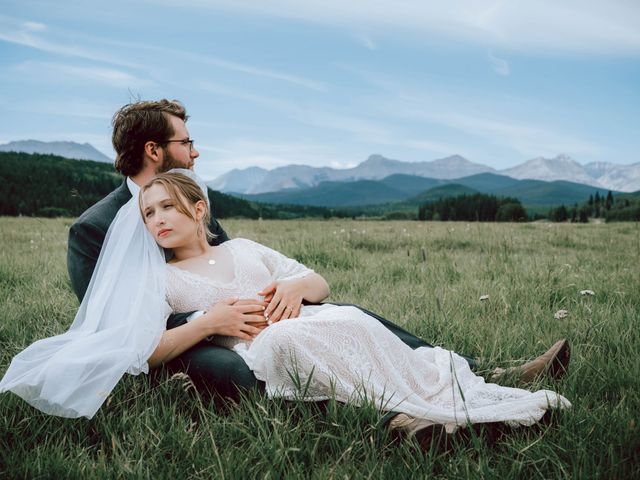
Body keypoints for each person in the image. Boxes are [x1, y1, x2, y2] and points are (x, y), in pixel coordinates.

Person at [0, 99, 569, 436]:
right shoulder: (94, 228)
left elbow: (227, 260)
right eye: (186, 142)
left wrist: (290, 290)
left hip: (250, 314)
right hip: (182, 338)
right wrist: (211, 318)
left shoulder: (194, 203)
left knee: (342, 315)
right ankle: (381, 417)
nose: (195, 152)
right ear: (154, 150)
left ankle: (472, 374)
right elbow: (109, 326)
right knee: (241, 365)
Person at [138, 171, 571, 434]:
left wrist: (295, 287)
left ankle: (458, 386)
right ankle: (405, 419)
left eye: (166, 208)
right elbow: (146, 350)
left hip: (318, 321)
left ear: (198, 210)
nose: (157, 219)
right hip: (264, 349)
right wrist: (207, 322)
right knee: (286, 341)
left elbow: (319, 283)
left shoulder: (245, 248)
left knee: (350, 319)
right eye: (148, 214)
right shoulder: (163, 279)